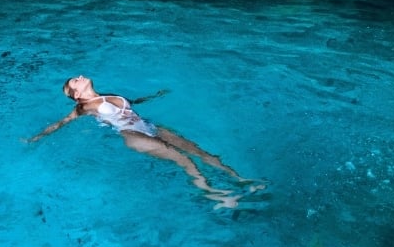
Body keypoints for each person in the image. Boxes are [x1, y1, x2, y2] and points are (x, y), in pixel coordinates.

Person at [26, 75, 262, 209]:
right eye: (73, 82)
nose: (77, 77)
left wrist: (157, 95)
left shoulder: (108, 94)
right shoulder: (83, 107)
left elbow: (133, 102)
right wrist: (35, 138)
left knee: (201, 152)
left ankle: (242, 180)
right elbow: (60, 123)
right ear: (76, 95)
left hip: (147, 125)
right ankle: (215, 195)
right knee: (182, 159)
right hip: (132, 135)